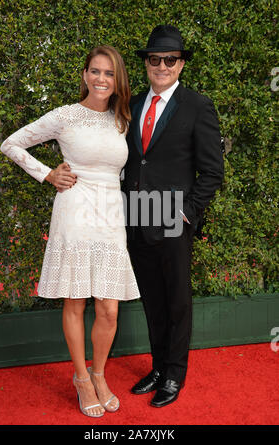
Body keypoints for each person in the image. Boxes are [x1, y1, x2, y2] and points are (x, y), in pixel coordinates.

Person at [0, 45, 140, 418]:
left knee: (109, 308)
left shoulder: (122, 119)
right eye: (95, 71)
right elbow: (11, 143)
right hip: (74, 210)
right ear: (84, 75)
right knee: (76, 299)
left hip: (111, 214)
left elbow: (122, 169)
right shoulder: (65, 116)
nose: (101, 79)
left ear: (117, 80)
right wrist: (47, 173)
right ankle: (81, 378)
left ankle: (98, 373)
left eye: (109, 74)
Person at [123, 25, 224, 407]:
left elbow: (212, 171)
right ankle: (159, 366)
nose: (161, 66)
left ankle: (174, 375)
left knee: (177, 301)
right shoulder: (131, 105)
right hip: (136, 215)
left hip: (172, 215)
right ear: (147, 64)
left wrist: (187, 212)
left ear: (180, 65)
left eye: (170, 59)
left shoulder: (198, 106)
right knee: (152, 299)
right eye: (155, 59)